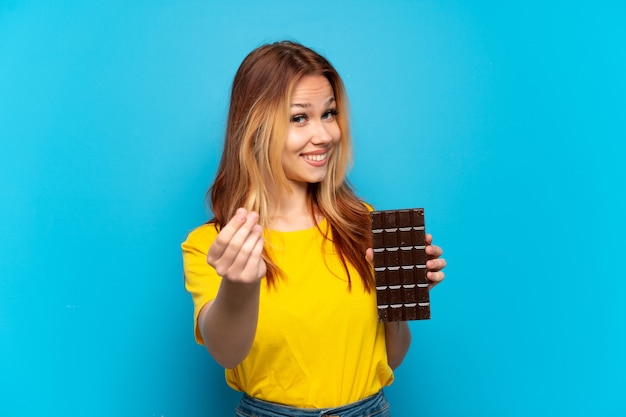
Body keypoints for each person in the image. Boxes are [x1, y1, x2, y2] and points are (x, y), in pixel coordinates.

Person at [182, 40, 446, 417]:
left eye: (330, 113)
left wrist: (404, 292)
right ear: (255, 126)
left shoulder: (364, 224)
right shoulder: (212, 244)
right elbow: (226, 352)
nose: (324, 135)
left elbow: (395, 355)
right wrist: (240, 284)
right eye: (299, 118)